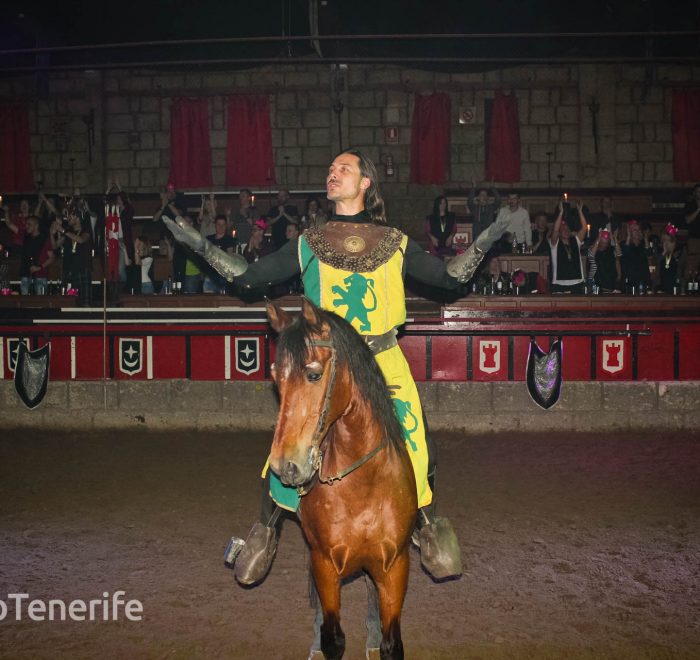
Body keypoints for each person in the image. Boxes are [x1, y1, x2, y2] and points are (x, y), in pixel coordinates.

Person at [164, 148, 510, 584]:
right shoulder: (309, 242)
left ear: (366, 183)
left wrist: (484, 240)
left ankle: (426, 522)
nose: (333, 174)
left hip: (382, 358)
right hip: (325, 362)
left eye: (343, 169)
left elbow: (449, 278)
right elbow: (250, 278)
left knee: (415, 433)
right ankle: (265, 530)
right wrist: (202, 245)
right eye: (330, 169)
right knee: (293, 433)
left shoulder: (395, 241)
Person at [51, 211, 92, 305]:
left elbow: (81, 240)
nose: (68, 218)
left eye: (70, 216)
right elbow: (55, 246)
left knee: (84, 303)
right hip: (69, 270)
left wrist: (63, 230)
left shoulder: (86, 230)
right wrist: (51, 234)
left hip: (81, 270)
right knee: (69, 302)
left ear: (77, 218)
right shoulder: (67, 232)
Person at [549, 198, 588, 294]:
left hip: (577, 282)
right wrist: (561, 213)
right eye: (562, 229)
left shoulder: (576, 241)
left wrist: (580, 212)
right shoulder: (554, 243)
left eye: (567, 228)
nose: (565, 230)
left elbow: (584, 228)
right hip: (559, 284)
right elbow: (555, 230)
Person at [19, 215, 53, 295]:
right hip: (26, 274)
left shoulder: (44, 239)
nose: (26, 226)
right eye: (26, 224)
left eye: (29, 224)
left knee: (40, 303)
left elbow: (52, 258)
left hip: (40, 275)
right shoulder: (26, 238)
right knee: (24, 303)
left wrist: (39, 267)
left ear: (36, 225)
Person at [203, 214, 237, 293]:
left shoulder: (229, 240)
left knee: (222, 302)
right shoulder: (209, 239)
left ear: (226, 226)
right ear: (215, 225)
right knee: (208, 302)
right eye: (219, 224)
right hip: (210, 276)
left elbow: (230, 257)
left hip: (223, 277)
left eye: (223, 225)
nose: (221, 227)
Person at [621, 220, 652, 292]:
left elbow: (649, 255)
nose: (637, 232)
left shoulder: (644, 245)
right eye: (634, 230)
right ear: (629, 232)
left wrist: (645, 237)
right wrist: (628, 237)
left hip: (644, 282)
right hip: (630, 283)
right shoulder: (624, 244)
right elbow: (625, 253)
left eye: (639, 229)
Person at [656, 224, 686, 294]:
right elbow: (656, 266)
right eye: (663, 240)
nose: (665, 243)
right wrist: (664, 253)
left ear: (674, 241)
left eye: (668, 240)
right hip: (661, 289)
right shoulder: (660, 253)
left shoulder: (680, 252)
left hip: (676, 288)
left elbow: (682, 272)